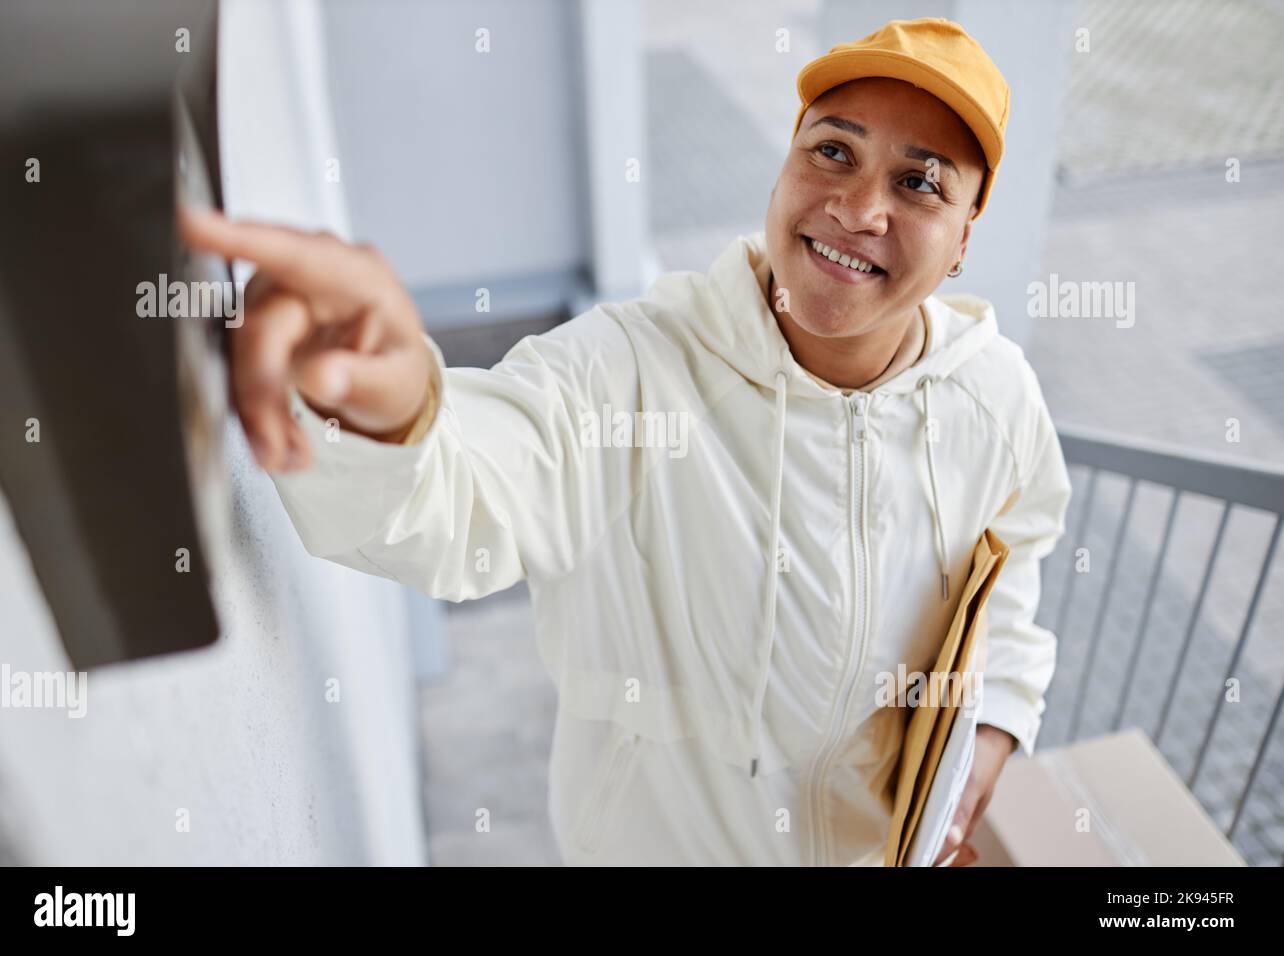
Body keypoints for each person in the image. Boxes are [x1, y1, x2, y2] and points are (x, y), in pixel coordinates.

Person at [181, 18, 1072, 866]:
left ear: (963, 240)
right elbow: (458, 496)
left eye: (919, 182)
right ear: (785, 167)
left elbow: (1012, 581)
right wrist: (389, 404)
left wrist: (993, 727)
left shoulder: (995, 399)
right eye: (832, 150)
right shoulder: (632, 373)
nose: (859, 207)